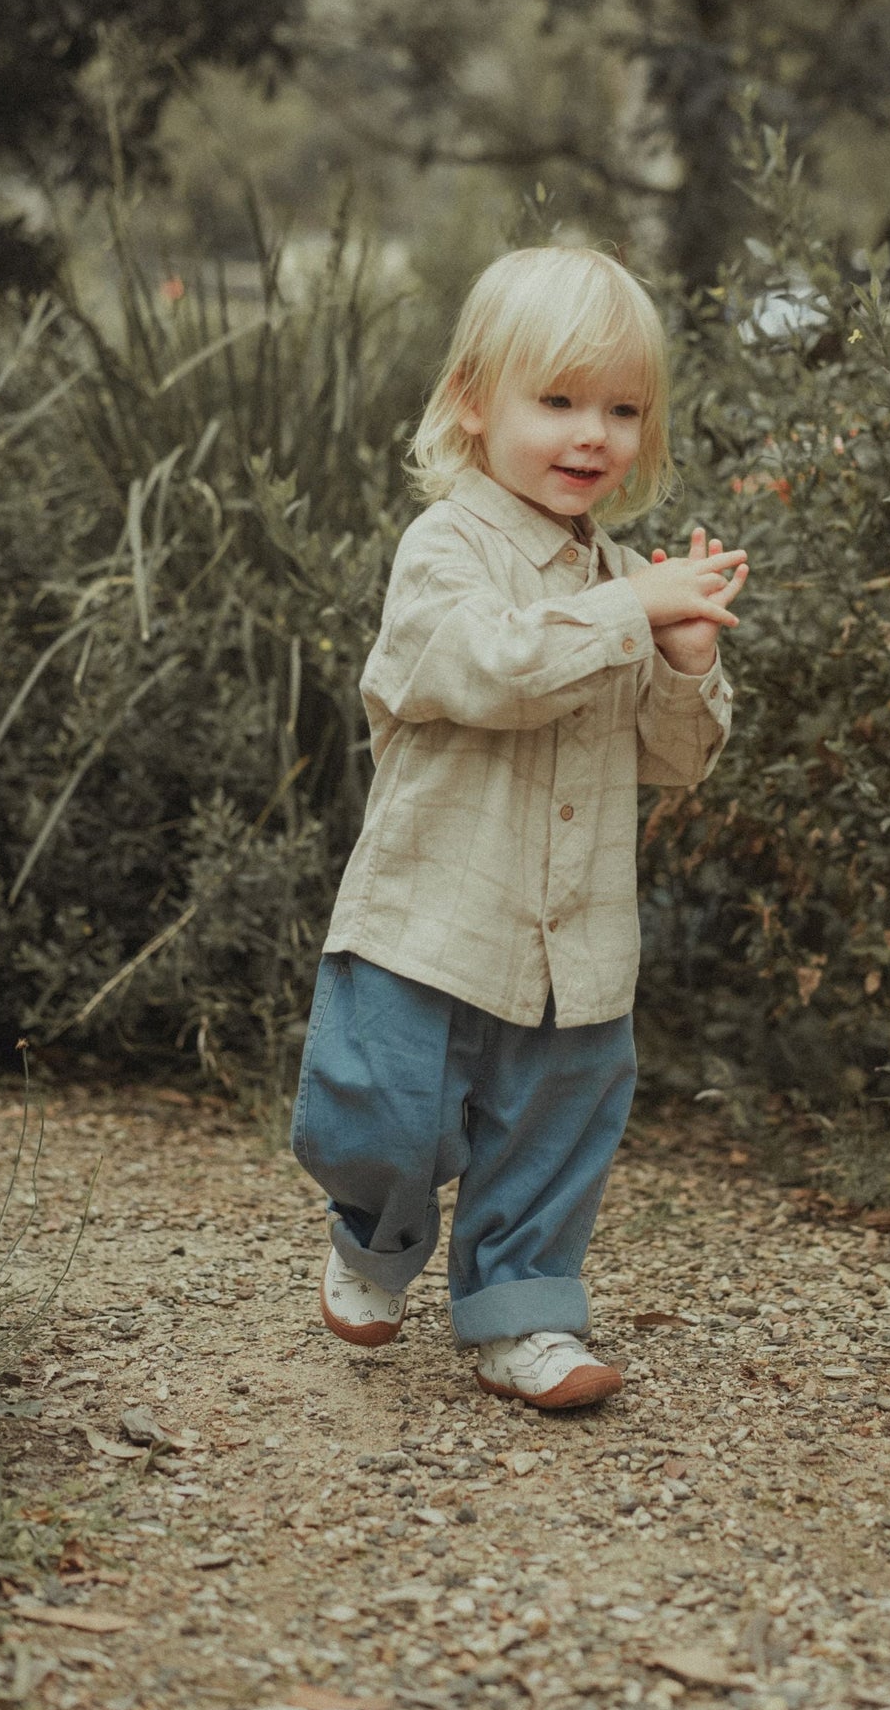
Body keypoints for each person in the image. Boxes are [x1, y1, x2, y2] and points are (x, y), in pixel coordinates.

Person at [291, 246, 748, 1410]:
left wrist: (684, 660)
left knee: (555, 1125)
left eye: (620, 408)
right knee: (385, 1111)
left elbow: (672, 759)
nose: (590, 433)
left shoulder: (626, 578)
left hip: (572, 933)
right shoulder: (445, 548)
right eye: (556, 401)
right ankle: (373, 1233)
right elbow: (486, 667)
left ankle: (521, 1310)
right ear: (471, 403)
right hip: (430, 916)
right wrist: (623, 611)